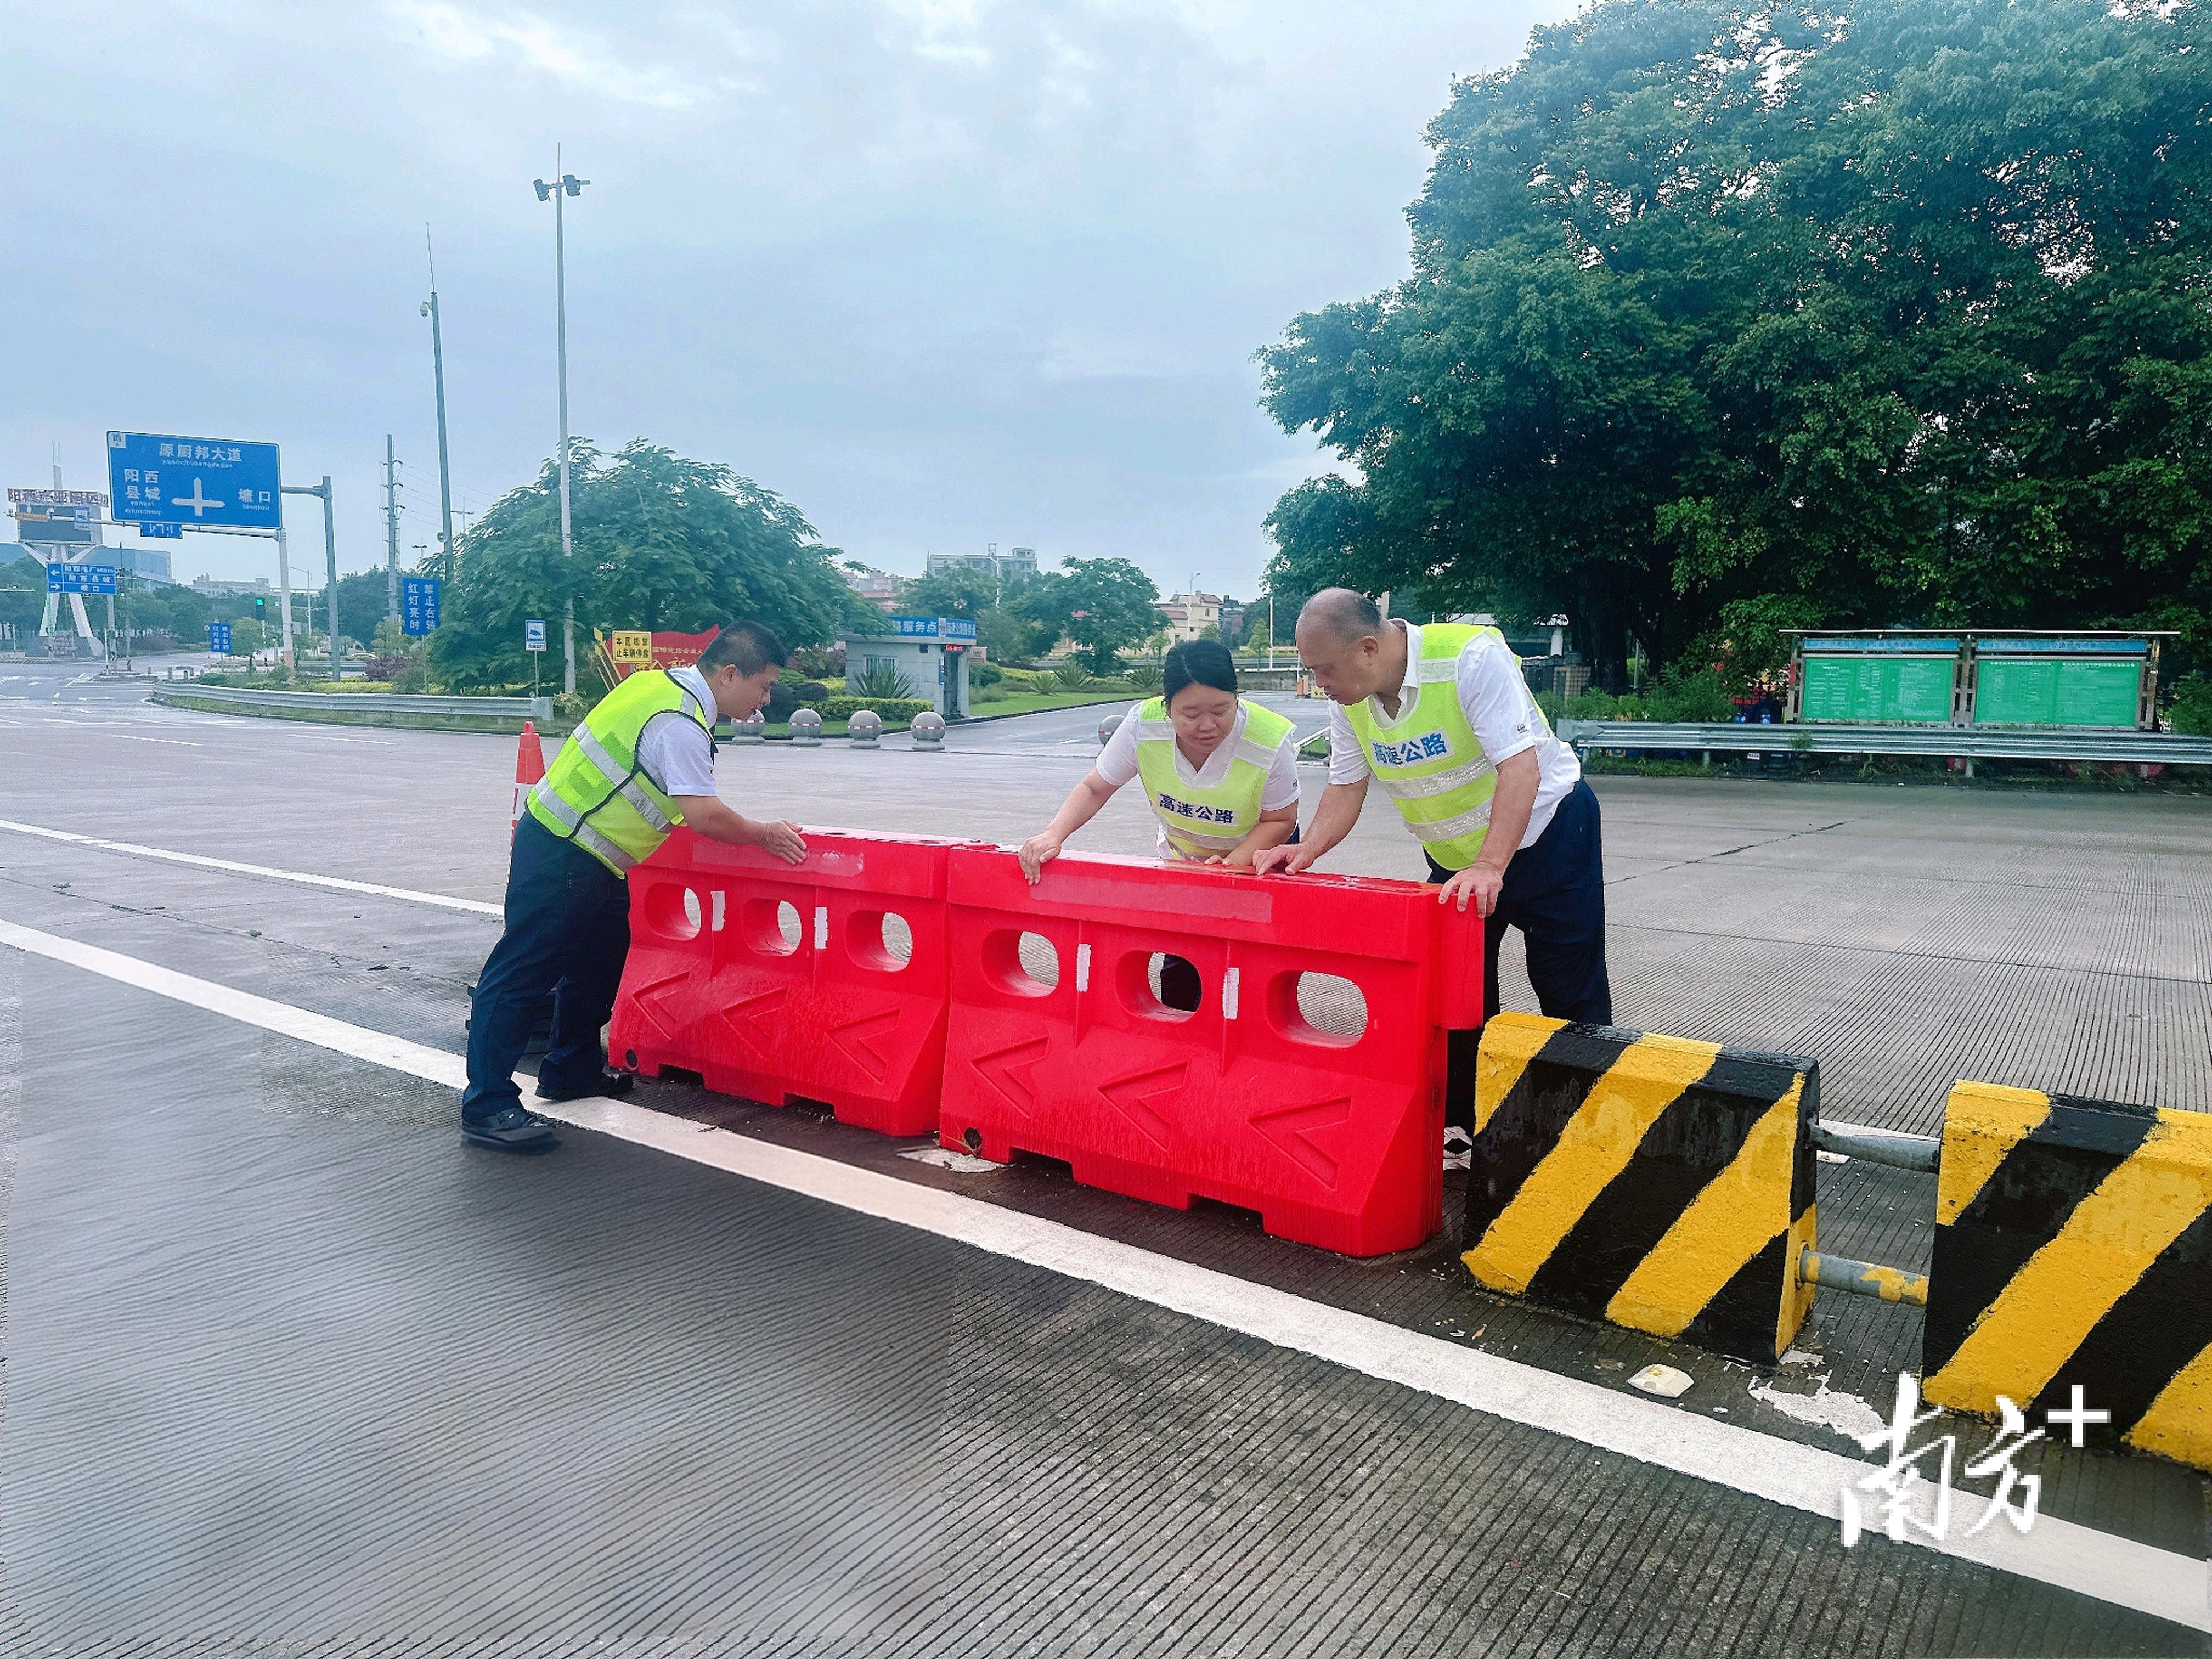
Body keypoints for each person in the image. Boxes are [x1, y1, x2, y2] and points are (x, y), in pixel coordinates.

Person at [1254, 589, 1611, 1136]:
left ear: (1369, 648)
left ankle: (1587, 1125)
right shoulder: (1350, 699)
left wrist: (1492, 865)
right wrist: (1306, 850)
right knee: (1457, 998)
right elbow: (1347, 786)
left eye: (1323, 670)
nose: (1317, 682)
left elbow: (1520, 769)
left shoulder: (1469, 658)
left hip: (1550, 837)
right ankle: (1464, 1128)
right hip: (1456, 860)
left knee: (1568, 992)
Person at [460, 621, 808, 1152]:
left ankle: (571, 1071)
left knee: (598, 963)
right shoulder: (679, 722)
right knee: (521, 975)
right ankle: (487, 1105)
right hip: (565, 849)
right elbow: (704, 815)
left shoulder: (656, 685)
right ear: (730, 673)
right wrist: (764, 834)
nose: (765, 699)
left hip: (592, 857)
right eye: (763, 685)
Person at [1018, 639, 1301, 1010]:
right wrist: (1053, 834)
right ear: (1166, 708)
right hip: (1188, 862)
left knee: (1253, 973)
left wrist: (1234, 865)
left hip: (1259, 859)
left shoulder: (1268, 740)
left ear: (1237, 699)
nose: (1207, 725)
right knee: (1184, 965)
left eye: (1221, 710)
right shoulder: (1143, 725)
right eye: (1190, 713)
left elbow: (1281, 819)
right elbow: (1096, 786)